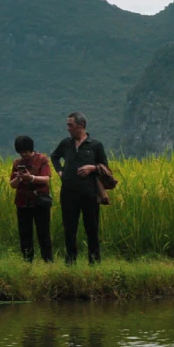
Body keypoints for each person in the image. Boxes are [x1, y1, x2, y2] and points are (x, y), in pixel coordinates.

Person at [49, 111, 113, 264]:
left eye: (70, 125)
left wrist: (92, 168)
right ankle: (70, 261)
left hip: (89, 193)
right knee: (69, 229)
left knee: (92, 228)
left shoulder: (95, 145)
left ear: (81, 126)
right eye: (68, 125)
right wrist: (60, 170)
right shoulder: (66, 143)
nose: (68, 128)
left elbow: (105, 167)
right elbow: (54, 156)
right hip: (68, 193)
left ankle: (94, 261)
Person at [8, 133, 54, 262]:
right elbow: (12, 185)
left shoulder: (42, 160)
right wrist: (19, 177)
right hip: (22, 202)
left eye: (25, 152)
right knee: (25, 234)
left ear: (31, 149)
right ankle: (27, 261)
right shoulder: (17, 163)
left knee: (43, 233)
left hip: (40, 201)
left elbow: (46, 179)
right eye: (21, 152)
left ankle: (48, 261)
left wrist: (31, 178)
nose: (23, 155)